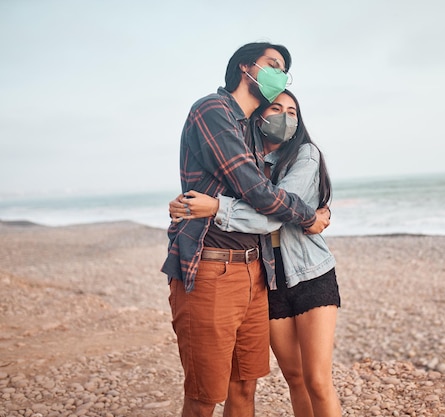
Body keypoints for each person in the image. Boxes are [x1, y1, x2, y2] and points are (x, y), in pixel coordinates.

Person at [161, 42, 331, 417]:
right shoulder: (213, 110)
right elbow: (256, 191)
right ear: (245, 68)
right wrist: (309, 217)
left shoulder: (252, 131)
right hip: (211, 267)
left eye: (285, 70)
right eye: (273, 65)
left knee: (244, 386)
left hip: (255, 271)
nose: (279, 74)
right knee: (205, 396)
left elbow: (266, 195)